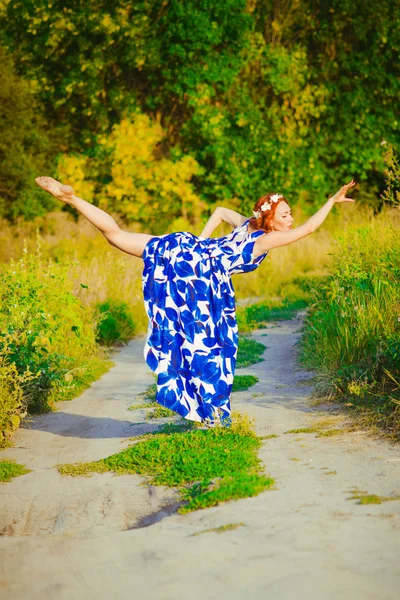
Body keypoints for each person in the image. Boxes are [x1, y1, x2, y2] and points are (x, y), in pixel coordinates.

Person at [35, 176, 356, 427]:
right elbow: (311, 228)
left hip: (186, 249)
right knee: (214, 346)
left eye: (291, 214)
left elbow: (218, 211)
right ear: (270, 220)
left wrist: (200, 242)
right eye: (286, 214)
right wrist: (332, 199)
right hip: (203, 274)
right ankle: (212, 412)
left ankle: (70, 198)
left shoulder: (246, 224)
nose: (292, 218)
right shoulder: (266, 238)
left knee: (116, 235)